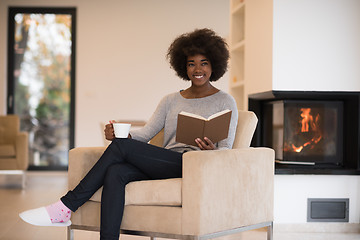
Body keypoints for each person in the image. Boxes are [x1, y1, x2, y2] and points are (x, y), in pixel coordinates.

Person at [19, 28, 238, 240]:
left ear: (214, 65)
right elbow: (145, 134)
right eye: (191, 63)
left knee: (121, 148)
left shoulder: (225, 101)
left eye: (204, 63)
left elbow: (226, 149)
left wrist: (212, 152)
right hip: (167, 161)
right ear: (183, 66)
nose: (197, 69)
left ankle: (66, 206)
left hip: (196, 166)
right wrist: (118, 134)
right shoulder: (171, 100)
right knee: (115, 171)